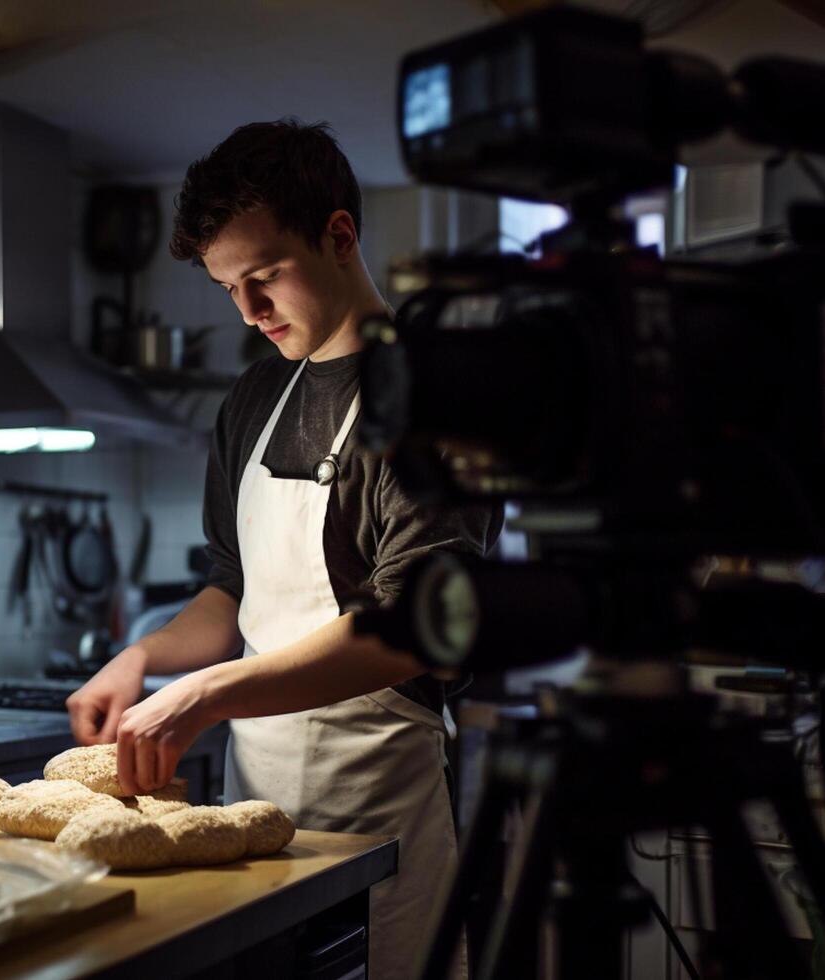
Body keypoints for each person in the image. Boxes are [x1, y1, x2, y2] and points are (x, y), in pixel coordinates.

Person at [66, 118, 501, 977]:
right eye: (229, 287)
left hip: (383, 823)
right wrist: (142, 656)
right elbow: (231, 593)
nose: (249, 312)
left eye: (263, 278)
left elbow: (410, 627)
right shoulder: (256, 393)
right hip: (253, 827)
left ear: (340, 235)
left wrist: (202, 696)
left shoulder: (429, 396)